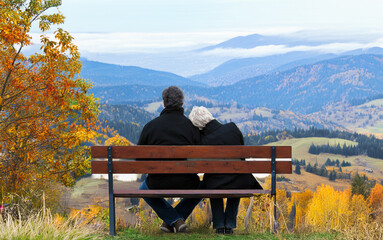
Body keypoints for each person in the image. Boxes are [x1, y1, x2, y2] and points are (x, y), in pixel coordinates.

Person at [189, 106, 263, 234]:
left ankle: (219, 225)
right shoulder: (232, 128)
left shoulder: (202, 141)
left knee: (213, 180)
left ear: (198, 125)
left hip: (215, 183)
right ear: (209, 115)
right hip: (239, 180)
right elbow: (241, 155)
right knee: (236, 176)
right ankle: (229, 224)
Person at [137, 86, 201, 233]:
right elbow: (200, 158)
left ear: (164, 103)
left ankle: (171, 221)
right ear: (182, 103)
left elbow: (139, 160)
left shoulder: (150, 126)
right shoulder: (192, 127)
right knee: (202, 187)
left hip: (157, 182)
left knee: (143, 189)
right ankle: (177, 220)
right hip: (187, 182)